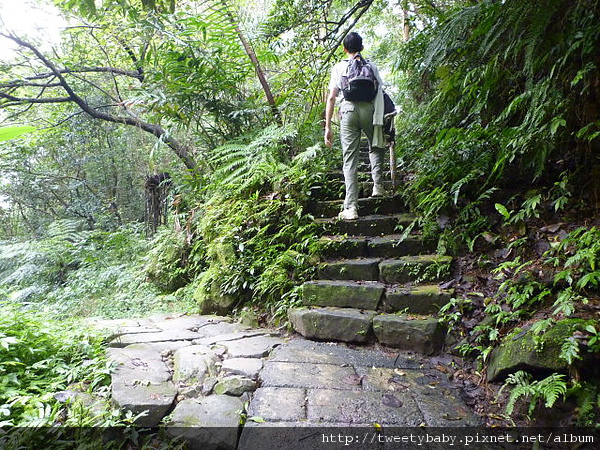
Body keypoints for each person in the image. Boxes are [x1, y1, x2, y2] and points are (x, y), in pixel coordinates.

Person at [324, 32, 386, 220]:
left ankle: (351, 207)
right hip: (370, 110)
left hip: (348, 111)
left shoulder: (338, 67)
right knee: (376, 146)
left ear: (345, 49)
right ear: (362, 48)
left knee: (349, 159)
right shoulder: (371, 66)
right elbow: (380, 92)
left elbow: (332, 97)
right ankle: (378, 186)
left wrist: (328, 126)